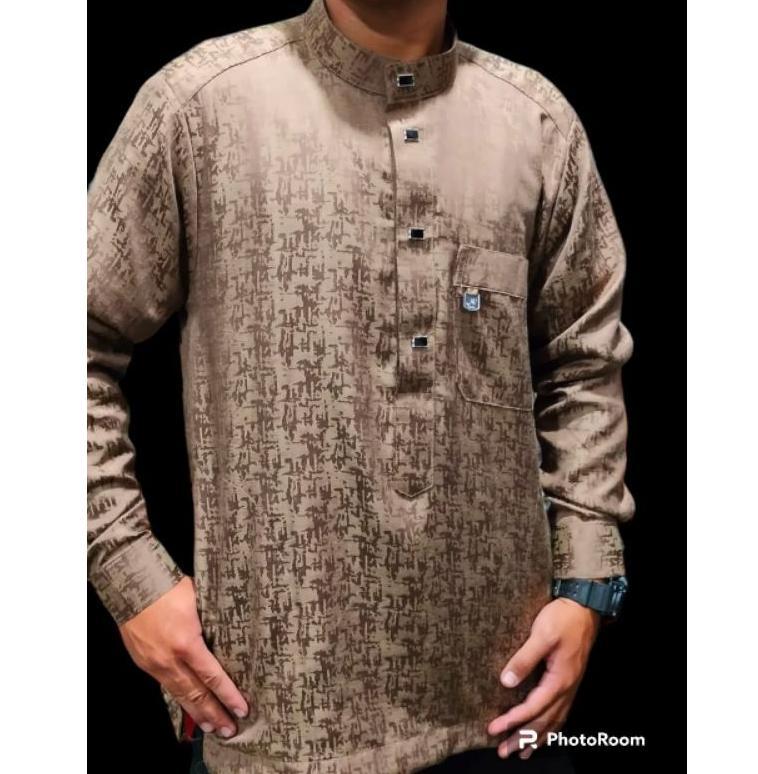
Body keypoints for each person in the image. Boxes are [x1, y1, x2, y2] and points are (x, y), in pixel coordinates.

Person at [87, 0, 636, 772]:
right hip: (273, 724)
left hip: (506, 715)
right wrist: (129, 575)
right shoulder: (199, 107)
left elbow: (582, 365)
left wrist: (586, 587)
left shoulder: (536, 125)